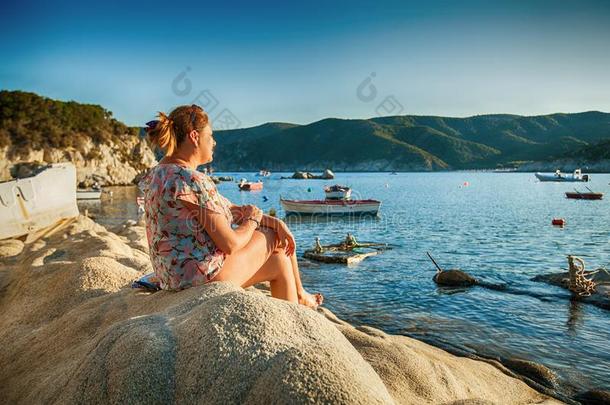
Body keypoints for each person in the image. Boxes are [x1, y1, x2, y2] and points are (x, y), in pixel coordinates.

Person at [139, 104, 322, 308]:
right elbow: (230, 244)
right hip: (199, 278)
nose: (214, 142)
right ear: (194, 136)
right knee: (272, 237)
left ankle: (296, 308)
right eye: (210, 135)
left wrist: (274, 221)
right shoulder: (190, 179)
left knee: (279, 261)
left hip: (171, 275)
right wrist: (253, 221)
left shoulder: (158, 174)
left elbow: (228, 210)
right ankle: (301, 296)